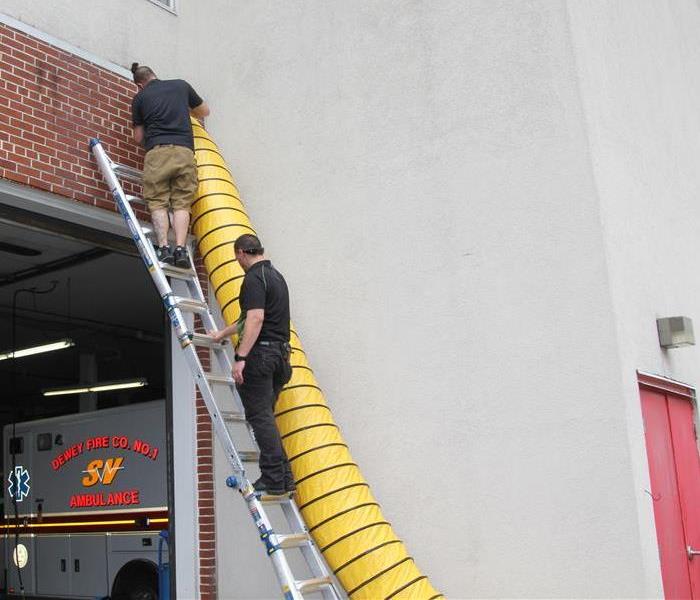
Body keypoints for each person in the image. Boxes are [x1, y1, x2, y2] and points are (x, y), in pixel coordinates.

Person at [208, 234, 294, 495]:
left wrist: (241, 357)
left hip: (262, 356)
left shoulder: (254, 278)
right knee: (266, 417)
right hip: (280, 357)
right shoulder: (276, 277)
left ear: (241, 253)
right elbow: (249, 319)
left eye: (237, 259)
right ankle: (285, 477)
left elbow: (255, 319)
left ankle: (274, 479)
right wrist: (221, 334)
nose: (238, 263)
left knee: (260, 417)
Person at [130, 63, 210, 269]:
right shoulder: (181, 86)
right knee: (182, 203)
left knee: (157, 202)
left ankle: (164, 248)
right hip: (184, 152)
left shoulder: (139, 98)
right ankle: (181, 249)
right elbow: (204, 111)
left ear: (140, 84)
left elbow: (138, 137)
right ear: (154, 75)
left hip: (157, 153)